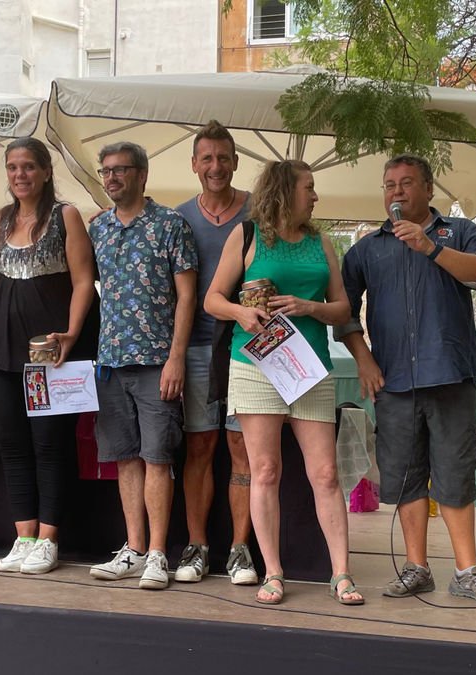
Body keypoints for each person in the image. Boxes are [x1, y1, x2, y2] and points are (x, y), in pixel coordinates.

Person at [338, 154, 476, 606]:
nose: (396, 192)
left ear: (428, 189)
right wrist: (363, 360)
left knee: (454, 474)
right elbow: (342, 313)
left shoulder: (460, 232)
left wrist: (430, 247)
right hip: (393, 381)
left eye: (407, 183)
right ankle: (417, 568)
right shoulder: (365, 250)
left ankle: (467, 571)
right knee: (405, 477)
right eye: (389, 184)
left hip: (450, 374)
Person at [205, 159, 363, 606]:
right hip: (255, 365)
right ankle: (272, 572)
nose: (315, 197)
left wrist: (309, 307)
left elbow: (342, 309)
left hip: (308, 368)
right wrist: (242, 312)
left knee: (326, 473)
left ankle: (342, 574)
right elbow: (213, 299)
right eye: (308, 188)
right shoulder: (247, 234)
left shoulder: (321, 242)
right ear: (283, 190)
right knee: (266, 470)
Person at [0, 138, 98, 575]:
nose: (19, 174)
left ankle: (48, 538)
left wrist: (73, 332)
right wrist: (0, 293)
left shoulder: (66, 216)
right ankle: (23, 535)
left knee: (50, 444)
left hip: (49, 348)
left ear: (46, 171)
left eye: (28, 166)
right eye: (12, 167)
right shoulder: (2, 218)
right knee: (11, 444)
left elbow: (84, 281)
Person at [87, 141, 197, 590]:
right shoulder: (98, 229)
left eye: (120, 170)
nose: (112, 178)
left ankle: (156, 553)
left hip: (157, 361)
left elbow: (188, 296)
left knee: (157, 458)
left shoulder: (171, 225)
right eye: (106, 171)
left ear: (142, 174)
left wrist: (176, 358)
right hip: (110, 362)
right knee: (125, 460)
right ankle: (131, 549)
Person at [172, 120, 256, 585]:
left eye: (223, 157)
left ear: (235, 162)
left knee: (242, 448)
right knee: (199, 447)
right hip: (197, 348)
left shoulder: (260, 211)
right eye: (207, 158)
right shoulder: (179, 217)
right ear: (194, 165)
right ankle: (197, 545)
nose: (215, 166)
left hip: (249, 349)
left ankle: (241, 549)